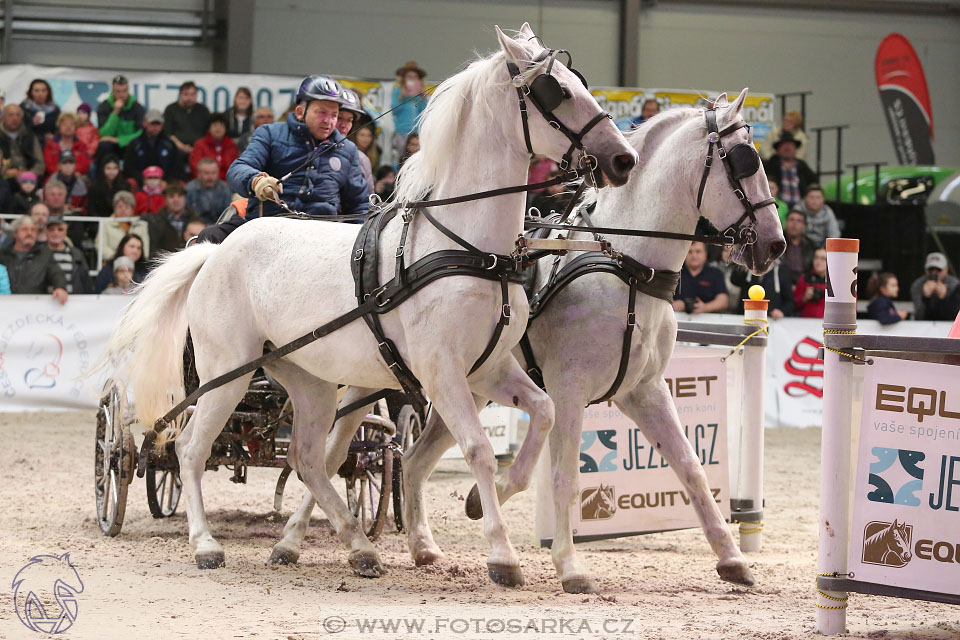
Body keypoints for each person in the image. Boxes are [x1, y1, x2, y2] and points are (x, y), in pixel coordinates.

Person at [210, 75, 369, 243]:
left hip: (321, 239)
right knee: (209, 236)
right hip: (269, 231)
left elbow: (359, 205)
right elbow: (238, 169)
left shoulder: (348, 150)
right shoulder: (270, 134)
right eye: (321, 113)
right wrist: (256, 181)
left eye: (334, 115)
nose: (329, 121)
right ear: (300, 112)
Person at [0, 215, 68, 303]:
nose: (29, 233)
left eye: (33, 230)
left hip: (35, 308)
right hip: (6, 308)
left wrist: (60, 287)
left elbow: (56, 273)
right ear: (15, 233)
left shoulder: (44, 254)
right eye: (25, 229)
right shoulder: (3, 255)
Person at [96, 74, 146, 160]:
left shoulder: (137, 107)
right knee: (104, 145)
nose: (122, 95)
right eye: (118, 91)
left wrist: (119, 140)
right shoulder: (104, 107)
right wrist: (115, 112)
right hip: (112, 146)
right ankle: (104, 172)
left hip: (129, 143)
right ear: (112, 91)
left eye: (124, 91)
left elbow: (141, 133)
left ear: (128, 90)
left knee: (140, 145)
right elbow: (104, 134)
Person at [763, 131, 817, 210]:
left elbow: (814, 182)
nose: (787, 148)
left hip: (800, 209)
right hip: (776, 206)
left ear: (795, 149)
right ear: (778, 149)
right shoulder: (769, 165)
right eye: (784, 145)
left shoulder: (802, 166)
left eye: (791, 145)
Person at [672, 241, 729, 314]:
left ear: (705, 254)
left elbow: (723, 301)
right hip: (677, 319)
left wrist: (705, 308)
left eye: (698, 251)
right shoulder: (674, 274)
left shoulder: (715, 274)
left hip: (709, 321)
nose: (694, 255)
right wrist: (673, 305)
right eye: (690, 252)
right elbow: (662, 297)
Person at [124, 109, 180, 183]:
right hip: (141, 183)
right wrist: (142, 180)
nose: (155, 127)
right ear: (145, 123)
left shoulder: (169, 144)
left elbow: (177, 167)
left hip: (165, 185)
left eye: (158, 124)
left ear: (162, 125)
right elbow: (129, 168)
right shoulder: (135, 144)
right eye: (152, 124)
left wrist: (165, 182)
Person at [335, 87, 373, 196]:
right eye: (339, 118)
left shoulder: (361, 159)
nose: (344, 125)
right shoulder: (309, 150)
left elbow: (369, 201)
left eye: (349, 120)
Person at [163, 81, 211, 161]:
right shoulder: (171, 109)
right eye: (186, 94)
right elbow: (168, 133)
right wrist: (181, 146)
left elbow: (208, 132)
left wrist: (197, 147)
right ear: (180, 94)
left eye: (192, 94)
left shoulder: (203, 110)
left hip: (200, 149)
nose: (189, 98)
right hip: (176, 149)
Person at [97, 191, 150, 261]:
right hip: (113, 262)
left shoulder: (141, 226)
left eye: (127, 207)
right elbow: (101, 247)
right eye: (120, 206)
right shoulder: (106, 224)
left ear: (132, 210)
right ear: (114, 208)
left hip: (136, 264)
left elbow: (145, 250)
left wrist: (134, 258)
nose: (123, 209)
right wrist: (119, 257)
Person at [45, 215, 93, 294]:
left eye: (60, 229)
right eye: (51, 229)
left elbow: (86, 282)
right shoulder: (38, 254)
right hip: (42, 302)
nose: (56, 232)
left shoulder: (77, 254)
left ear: (65, 231)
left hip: (74, 302)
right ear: (46, 232)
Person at [391, 61, 428, 160]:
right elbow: (395, 111)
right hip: (403, 130)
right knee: (403, 158)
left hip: (418, 132)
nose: (412, 79)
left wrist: (423, 99)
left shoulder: (421, 93)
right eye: (409, 76)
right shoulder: (398, 92)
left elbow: (425, 113)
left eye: (415, 77)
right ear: (404, 78)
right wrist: (401, 97)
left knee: (418, 157)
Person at [909, 252, 960, 321]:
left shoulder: (955, 285)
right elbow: (919, 315)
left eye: (939, 269)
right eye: (931, 269)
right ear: (925, 270)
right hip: (925, 326)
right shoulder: (918, 285)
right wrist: (925, 297)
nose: (934, 273)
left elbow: (955, 316)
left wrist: (944, 297)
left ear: (946, 269)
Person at [0, 104, 46, 178]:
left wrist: (27, 174)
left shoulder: (30, 136)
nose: (15, 118)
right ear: (3, 117)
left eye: (18, 115)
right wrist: (5, 172)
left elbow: (40, 164)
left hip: (28, 179)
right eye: (10, 115)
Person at [189, 112, 238, 179]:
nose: (218, 128)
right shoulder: (200, 145)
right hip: (204, 182)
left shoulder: (232, 145)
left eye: (221, 126)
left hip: (227, 185)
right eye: (215, 125)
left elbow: (235, 168)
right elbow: (195, 167)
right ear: (209, 128)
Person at [43, 112, 91, 177]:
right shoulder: (50, 144)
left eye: (72, 124)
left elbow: (84, 165)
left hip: (76, 177)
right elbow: (49, 165)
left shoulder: (81, 145)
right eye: (64, 124)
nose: (68, 127)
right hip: (55, 177)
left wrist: (71, 174)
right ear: (59, 127)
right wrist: (62, 174)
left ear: (76, 127)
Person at [186, 157, 233, 223]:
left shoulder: (225, 188)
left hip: (219, 226)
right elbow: (187, 215)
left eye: (213, 173)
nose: (210, 177)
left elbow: (228, 215)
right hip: (196, 226)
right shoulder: (189, 189)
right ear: (199, 174)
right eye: (207, 173)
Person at [781, 209, 816, 285]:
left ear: (804, 226)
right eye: (791, 219)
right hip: (783, 284)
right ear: (785, 223)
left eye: (799, 221)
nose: (794, 223)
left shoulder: (810, 245)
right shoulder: (778, 243)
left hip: (804, 284)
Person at [20, 79, 60, 144]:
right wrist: (32, 122)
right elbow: (17, 129)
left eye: (43, 90)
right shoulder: (23, 108)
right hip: (28, 144)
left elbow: (59, 129)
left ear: (48, 92)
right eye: (36, 90)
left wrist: (54, 137)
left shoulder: (55, 109)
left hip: (49, 145)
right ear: (31, 92)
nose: (40, 93)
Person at [794, 247, 829, 318]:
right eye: (816, 258)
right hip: (807, 322)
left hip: (828, 323)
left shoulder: (835, 282)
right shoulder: (805, 279)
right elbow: (793, 304)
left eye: (823, 259)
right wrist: (804, 298)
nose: (818, 261)